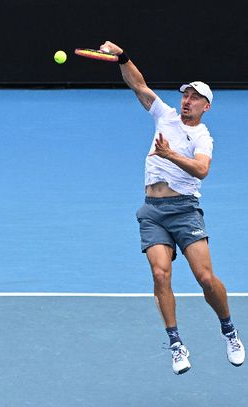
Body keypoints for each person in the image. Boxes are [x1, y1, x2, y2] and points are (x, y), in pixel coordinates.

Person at [100, 41, 245, 374]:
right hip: (152, 210)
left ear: (206, 106)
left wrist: (170, 156)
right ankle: (176, 343)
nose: (187, 101)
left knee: (205, 279)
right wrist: (122, 56)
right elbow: (138, 84)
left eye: (194, 97)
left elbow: (202, 170)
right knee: (160, 274)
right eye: (185, 95)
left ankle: (229, 330)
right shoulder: (164, 115)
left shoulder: (203, 137)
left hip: (184, 210)